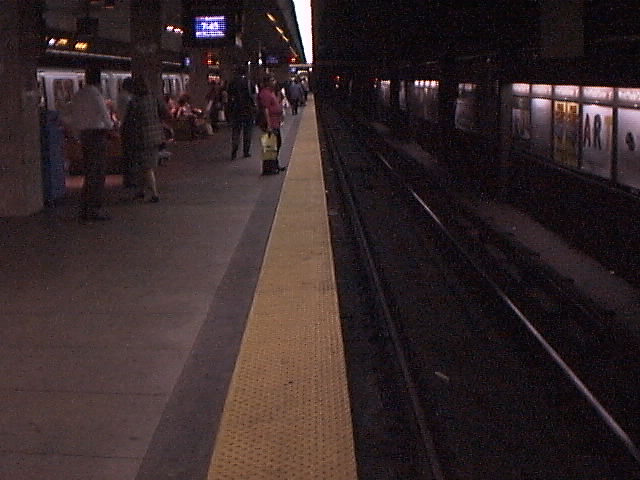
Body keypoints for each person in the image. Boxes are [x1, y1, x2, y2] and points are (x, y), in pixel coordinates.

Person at [69, 66, 115, 222]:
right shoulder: (96, 94)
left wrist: (76, 135)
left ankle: (85, 208)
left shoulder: (78, 94)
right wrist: (111, 128)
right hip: (97, 136)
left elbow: (74, 117)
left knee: (89, 172)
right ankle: (95, 209)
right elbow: (105, 116)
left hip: (84, 136)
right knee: (98, 173)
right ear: (99, 80)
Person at [121, 77, 165, 203]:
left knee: (146, 167)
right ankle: (141, 191)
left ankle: (154, 193)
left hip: (141, 138)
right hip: (155, 136)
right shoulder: (154, 99)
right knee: (145, 165)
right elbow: (163, 113)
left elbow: (129, 120)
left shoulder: (135, 102)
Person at [227, 65, 256, 160]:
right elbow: (253, 96)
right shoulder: (249, 83)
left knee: (236, 131)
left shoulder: (232, 83)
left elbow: (229, 96)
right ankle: (246, 151)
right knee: (247, 131)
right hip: (248, 110)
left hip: (236, 110)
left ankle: (234, 151)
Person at [257, 75, 286, 174]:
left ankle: (275, 165)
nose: (274, 82)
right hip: (271, 123)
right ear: (267, 82)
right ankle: (269, 168)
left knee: (275, 144)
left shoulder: (271, 92)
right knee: (271, 145)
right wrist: (268, 125)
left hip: (275, 122)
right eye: (272, 80)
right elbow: (265, 110)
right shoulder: (265, 93)